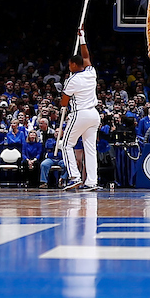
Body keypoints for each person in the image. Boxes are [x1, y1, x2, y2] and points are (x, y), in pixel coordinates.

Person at [58, 27, 100, 192]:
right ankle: (92, 181)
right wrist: (82, 37)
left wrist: (63, 93)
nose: (68, 66)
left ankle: (74, 177)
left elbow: (64, 103)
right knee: (90, 149)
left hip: (80, 114)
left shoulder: (72, 80)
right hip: (94, 114)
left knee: (66, 145)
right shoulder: (91, 72)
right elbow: (86, 56)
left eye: (70, 64)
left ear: (74, 64)